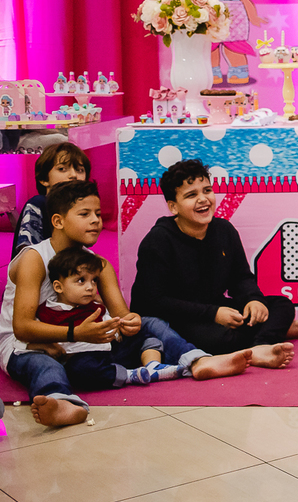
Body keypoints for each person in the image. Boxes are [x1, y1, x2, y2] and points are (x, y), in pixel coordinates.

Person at [0, 180, 251, 428]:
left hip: (85, 343)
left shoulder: (99, 264)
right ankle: (61, 402)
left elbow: (122, 316)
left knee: (152, 323)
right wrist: (75, 333)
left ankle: (196, 360)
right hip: (29, 344)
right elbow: (22, 327)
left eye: (98, 214)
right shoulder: (35, 258)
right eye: (85, 214)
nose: (96, 221)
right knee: (44, 365)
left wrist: (129, 324)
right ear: (58, 221)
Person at [131, 160, 298, 369]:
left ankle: (261, 345)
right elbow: (154, 302)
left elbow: (241, 278)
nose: (203, 199)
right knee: (220, 339)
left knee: (282, 305)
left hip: (215, 308)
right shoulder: (158, 240)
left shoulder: (224, 230)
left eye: (207, 190)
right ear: (173, 206)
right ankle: (271, 335)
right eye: (191, 195)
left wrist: (253, 300)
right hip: (176, 317)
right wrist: (214, 314)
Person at [28, 246, 184, 387]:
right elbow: (34, 336)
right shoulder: (48, 311)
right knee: (78, 369)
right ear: (58, 287)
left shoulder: (95, 306)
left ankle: (153, 366)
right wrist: (46, 345)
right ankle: (129, 375)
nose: (90, 287)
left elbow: (108, 321)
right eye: (81, 281)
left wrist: (118, 328)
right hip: (83, 357)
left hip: (110, 351)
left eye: (94, 281)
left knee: (145, 335)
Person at [11, 142, 91, 258]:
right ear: (44, 179)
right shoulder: (38, 204)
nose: (73, 175)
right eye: (62, 169)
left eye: (80, 170)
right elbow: (27, 253)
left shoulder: (80, 207)